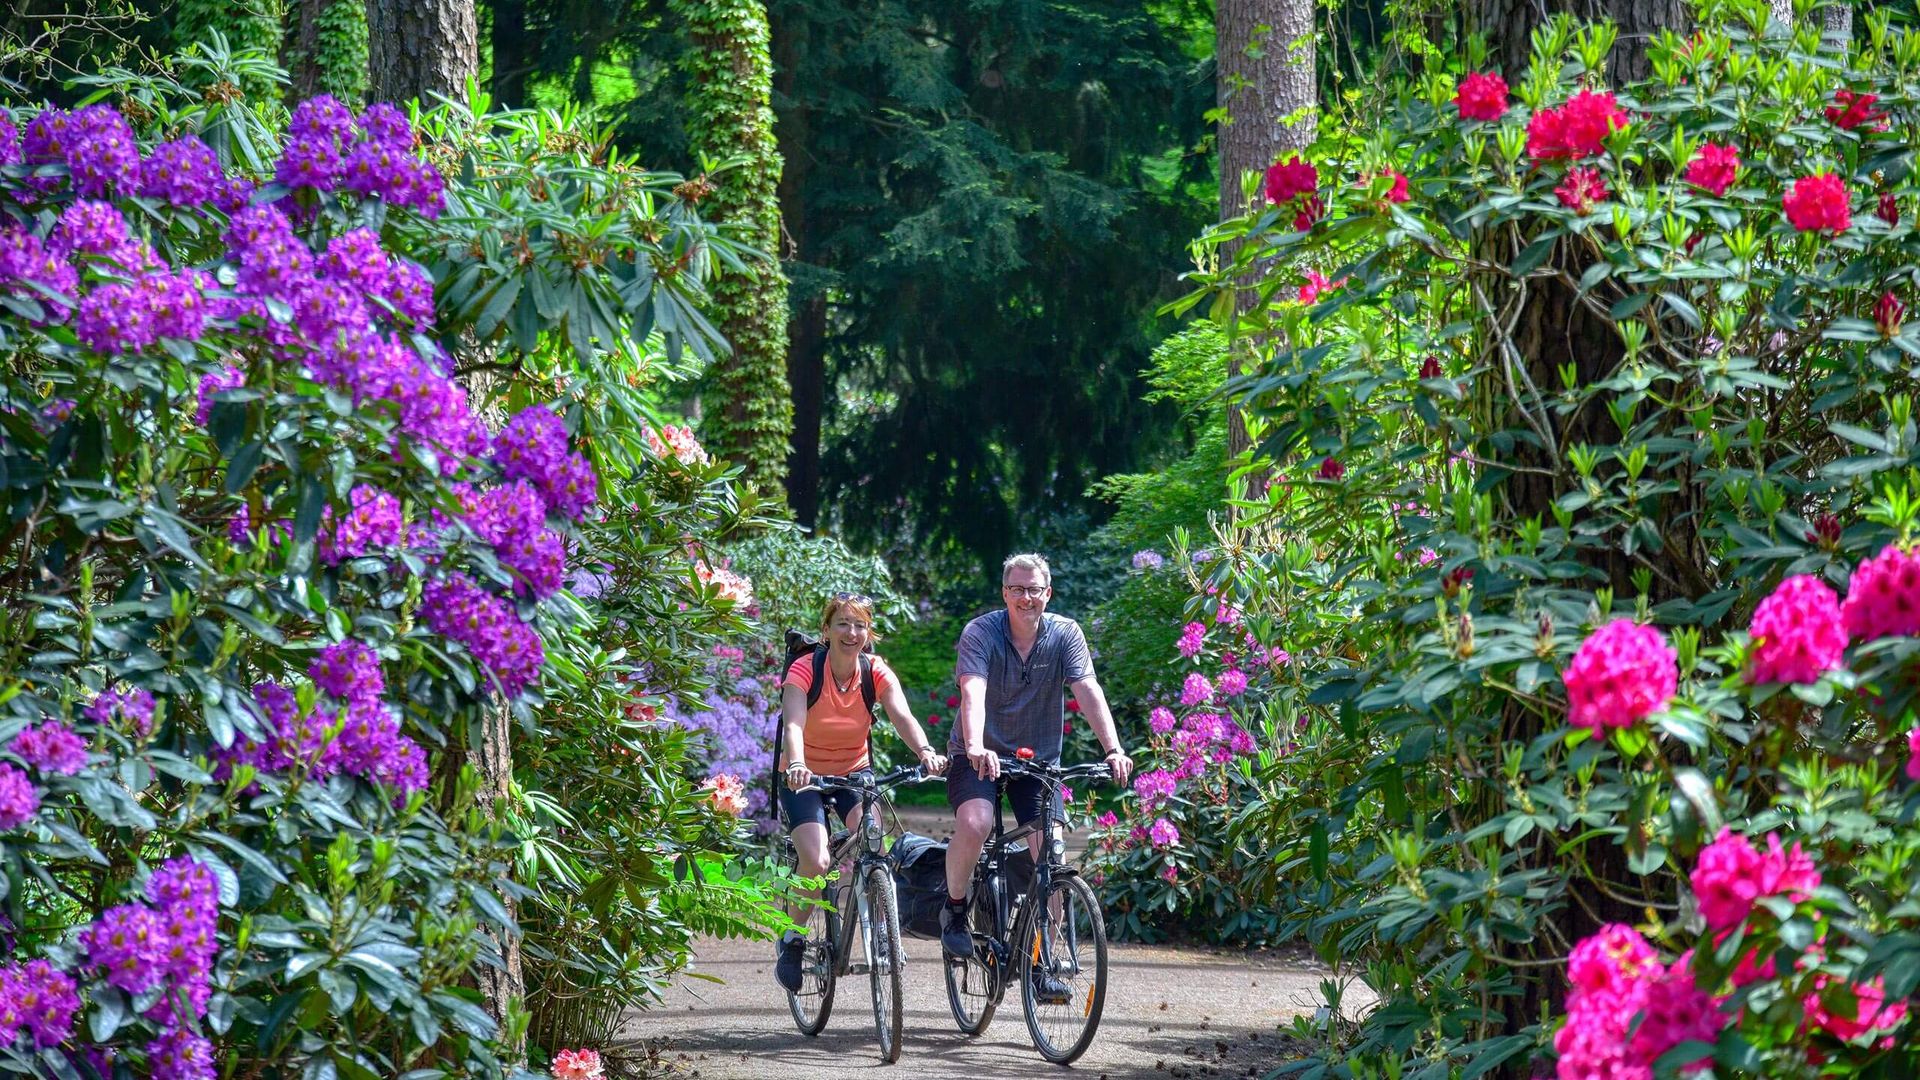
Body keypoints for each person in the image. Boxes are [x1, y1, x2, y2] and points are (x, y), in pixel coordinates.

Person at [940, 553, 1133, 994]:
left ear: (1048, 593)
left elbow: (1087, 689)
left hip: (1036, 762)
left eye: (1034, 590)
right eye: (1017, 589)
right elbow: (973, 691)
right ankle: (955, 909)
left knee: (1053, 856)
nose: (1025, 598)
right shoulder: (981, 632)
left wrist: (1113, 749)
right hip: (978, 755)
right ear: (1004, 593)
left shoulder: (1065, 634)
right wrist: (975, 745)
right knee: (977, 823)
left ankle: (1042, 959)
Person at [774, 592, 947, 993]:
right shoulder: (805, 669)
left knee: (875, 844)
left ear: (868, 633)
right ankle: (793, 937)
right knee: (817, 860)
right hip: (804, 776)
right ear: (827, 630)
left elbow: (901, 715)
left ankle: (883, 929)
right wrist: (797, 764)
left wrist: (925, 752)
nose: (851, 633)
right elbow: (794, 723)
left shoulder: (875, 671)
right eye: (843, 624)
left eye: (860, 625)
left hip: (854, 772)